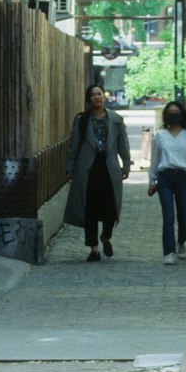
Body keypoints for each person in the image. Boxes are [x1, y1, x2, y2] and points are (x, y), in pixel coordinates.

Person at [64, 84, 132, 262]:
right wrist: (70, 167)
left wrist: (126, 165)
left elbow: (123, 144)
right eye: (93, 95)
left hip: (109, 169)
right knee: (90, 210)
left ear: (104, 96)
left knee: (110, 209)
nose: (96, 97)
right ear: (89, 99)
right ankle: (94, 249)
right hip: (87, 170)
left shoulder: (116, 119)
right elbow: (75, 145)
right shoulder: (82, 120)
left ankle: (106, 236)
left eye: (99, 94)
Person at [148, 101, 186, 265]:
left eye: (176, 111)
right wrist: (152, 180)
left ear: (182, 114)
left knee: (183, 216)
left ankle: (181, 241)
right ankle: (169, 251)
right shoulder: (159, 136)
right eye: (170, 111)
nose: (173, 114)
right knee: (168, 216)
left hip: (183, 177)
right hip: (164, 177)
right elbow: (155, 160)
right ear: (166, 115)